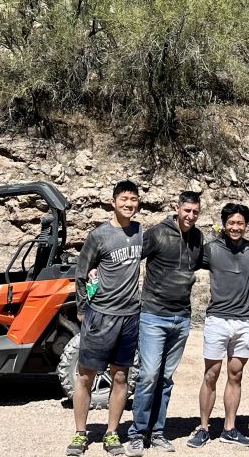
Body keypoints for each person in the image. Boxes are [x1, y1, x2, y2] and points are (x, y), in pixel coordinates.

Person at [69, 180, 145, 456]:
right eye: (124, 199)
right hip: (100, 315)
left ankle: (112, 433)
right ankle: (80, 433)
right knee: (86, 375)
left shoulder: (139, 232)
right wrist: (81, 309)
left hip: (129, 316)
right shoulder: (99, 235)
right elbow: (81, 272)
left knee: (121, 376)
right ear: (113, 202)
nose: (129, 204)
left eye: (134, 199)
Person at [126, 191, 205, 456]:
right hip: (153, 315)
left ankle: (157, 432)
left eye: (195, 212)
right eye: (187, 210)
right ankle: (137, 433)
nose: (190, 216)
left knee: (166, 378)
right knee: (149, 375)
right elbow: (130, 259)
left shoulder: (198, 237)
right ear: (177, 208)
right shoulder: (158, 233)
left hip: (181, 318)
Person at [187, 203, 249, 449]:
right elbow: (185, 261)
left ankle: (230, 428)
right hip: (217, 320)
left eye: (240, 223)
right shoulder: (210, 249)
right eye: (231, 223)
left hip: (243, 322)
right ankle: (203, 428)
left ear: (246, 226)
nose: (235, 227)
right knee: (211, 375)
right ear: (224, 224)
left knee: (236, 375)